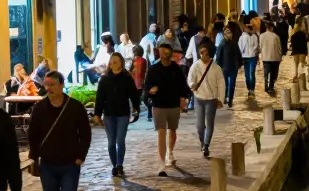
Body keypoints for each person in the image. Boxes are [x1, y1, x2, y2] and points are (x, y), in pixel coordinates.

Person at [28, 71, 91, 191]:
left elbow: (85, 134)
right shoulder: (39, 108)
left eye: (52, 84)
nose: (48, 88)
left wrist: (80, 157)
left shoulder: (74, 107)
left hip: (70, 164)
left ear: (62, 85)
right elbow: (33, 135)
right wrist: (35, 159)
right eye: (46, 85)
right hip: (48, 165)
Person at [143, 42, 190, 176]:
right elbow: (147, 85)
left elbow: (182, 85)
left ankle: (170, 152)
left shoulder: (175, 68)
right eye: (161, 51)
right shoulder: (153, 69)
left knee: (172, 131)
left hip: (173, 103)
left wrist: (183, 99)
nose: (163, 53)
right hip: (158, 104)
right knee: (161, 132)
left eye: (166, 51)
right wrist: (149, 92)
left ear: (170, 53)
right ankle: (161, 162)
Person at [93, 53, 141, 177]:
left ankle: (120, 165)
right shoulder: (104, 78)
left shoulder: (126, 77)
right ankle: (114, 165)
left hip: (123, 113)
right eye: (112, 61)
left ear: (121, 63)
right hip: (109, 114)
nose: (114, 63)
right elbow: (100, 97)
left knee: (120, 140)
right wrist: (97, 113)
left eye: (116, 61)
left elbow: (134, 94)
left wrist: (136, 107)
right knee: (111, 142)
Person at [188, 44, 226, 158]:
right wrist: (192, 85)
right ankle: (202, 141)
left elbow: (221, 84)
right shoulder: (195, 66)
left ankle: (206, 145)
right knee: (199, 125)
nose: (203, 54)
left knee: (209, 123)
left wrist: (220, 99)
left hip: (211, 99)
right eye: (201, 52)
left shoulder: (216, 68)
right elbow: (190, 78)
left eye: (205, 51)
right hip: (199, 98)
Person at [215, 26, 241, 108]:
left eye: (230, 32)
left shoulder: (234, 43)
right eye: (228, 32)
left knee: (232, 84)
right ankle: (225, 97)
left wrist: (239, 64)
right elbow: (218, 56)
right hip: (224, 68)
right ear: (224, 34)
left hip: (233, 68)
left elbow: (238, 54)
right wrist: (219, 67)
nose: (230, 34)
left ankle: (230, 99)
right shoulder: (222, 44)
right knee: (225, 84)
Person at [260, 22, 284, 94]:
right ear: (272, 28)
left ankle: (266, 87)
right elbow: (279, 48)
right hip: (275, 57)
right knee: (274, 73)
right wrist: (280, 56)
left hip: (265, 57)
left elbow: (260, 46)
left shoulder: (261, 36)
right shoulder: (276, 36)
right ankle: (271, 87)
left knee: (266, 73)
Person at [239, 23, 261, 96]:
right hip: (245, 58)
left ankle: (252, 89)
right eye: (247, 28)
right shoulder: (242, 37)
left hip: (253, 57)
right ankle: (249, 88)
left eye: (250, 28)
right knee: (247, 75)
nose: (248, 30)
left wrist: (256, 55)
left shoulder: (255, 37)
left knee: (252, 73)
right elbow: (240, 48)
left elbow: (257, 46)